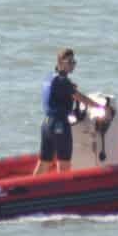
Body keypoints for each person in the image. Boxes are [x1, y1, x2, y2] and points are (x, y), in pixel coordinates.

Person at [31, 48, 90, 176]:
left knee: (44, 162)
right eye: (69, 62)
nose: (73, 65)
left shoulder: (50, 77)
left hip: (47, 124)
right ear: (60, 62)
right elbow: (82, 98)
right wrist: (100, 107)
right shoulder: (63, 81)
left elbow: (57, 92)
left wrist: (69, 88)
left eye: (74, 62)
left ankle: (32, 189)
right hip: (60, 125)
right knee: (64, 163)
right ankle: (63, 191)